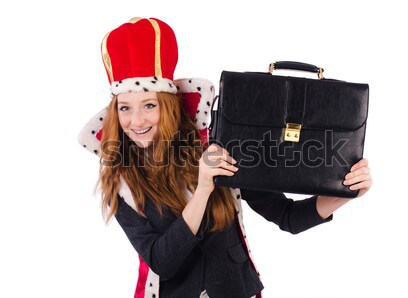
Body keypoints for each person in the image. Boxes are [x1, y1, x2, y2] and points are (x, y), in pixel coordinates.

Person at [80, 17, 372, 298]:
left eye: (148, 105)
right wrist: (204, 188)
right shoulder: (121, 183)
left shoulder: (219, 148)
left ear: (167, 107)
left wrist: (345, 191)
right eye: (125, 108)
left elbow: (288, 217)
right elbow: (161, 261)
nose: (136, 120)